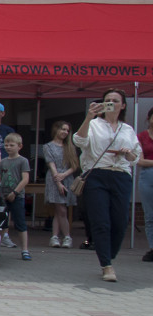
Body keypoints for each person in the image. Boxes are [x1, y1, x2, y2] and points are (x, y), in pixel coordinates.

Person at [72, 90, 141, 282]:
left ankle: (108, 256)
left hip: (121, 175)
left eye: (115, 101)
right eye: (107, 100)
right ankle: (106, 265)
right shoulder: (94, 124)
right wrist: (89, 115)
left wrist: (128, 154)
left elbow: (136, 156)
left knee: (120, 222)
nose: (111, 103)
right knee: (101, 221)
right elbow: (79, 140)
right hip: (97, 174)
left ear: (123, 105)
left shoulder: (127, 129)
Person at [42, 120, 79, 248]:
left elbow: (74, 165)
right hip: (54, 178)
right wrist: (58, 180)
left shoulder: (70, 147)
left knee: (59, 211)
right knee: (61, 209)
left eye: (67, 130)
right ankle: (67, 237)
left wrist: (65, 175)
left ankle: (55, 237)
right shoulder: (48, 146)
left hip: (67, 178)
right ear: (56, 129)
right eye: (63, 129)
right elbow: (51, 164)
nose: (65, 132)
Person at [0, 133, 32, 261]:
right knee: (1, 222)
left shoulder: (23, 161)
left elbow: (25, 179)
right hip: (3, 196)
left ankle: (25, 250)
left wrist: (15, 193)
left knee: (20, 223)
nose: (8, 147)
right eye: (6, 145)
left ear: (19, 146)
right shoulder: (3, 162)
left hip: (17, 196)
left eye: (12, 145)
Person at [138, 107, 153, 262]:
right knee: (149, 215)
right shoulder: (141, 136)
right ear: (149, 118)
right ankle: (152, 247)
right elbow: (139, 160)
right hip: (147, 176)